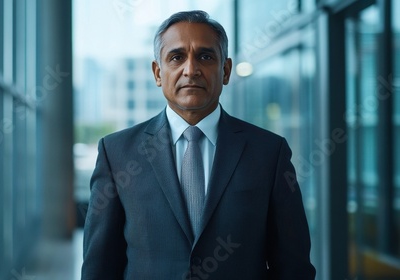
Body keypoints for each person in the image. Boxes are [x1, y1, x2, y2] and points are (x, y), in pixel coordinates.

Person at [82, 10, 316, 279]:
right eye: (176, 57)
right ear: (158, 73)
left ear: (225, 71)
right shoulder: (116, 153)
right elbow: (99, 267)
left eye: (205, 57)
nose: (190, 70)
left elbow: (293, 266)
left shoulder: (269, 153)